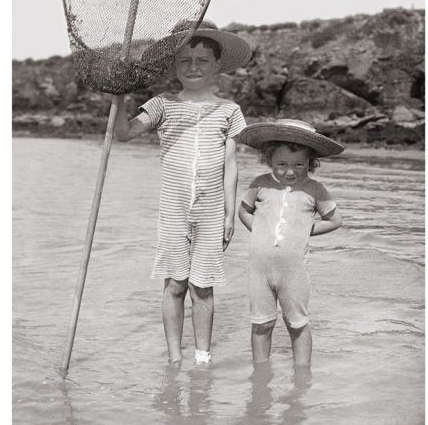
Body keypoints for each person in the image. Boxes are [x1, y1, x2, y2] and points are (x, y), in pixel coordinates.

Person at [114, 20, 252, 365]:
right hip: (173, 211)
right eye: (185, 60)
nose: (193, 67)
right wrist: (119, 96)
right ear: (173, 65)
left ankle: (202, 356)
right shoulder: (162, 104)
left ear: (216, 65)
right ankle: (175, 359)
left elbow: (231, 165)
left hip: (211, 212)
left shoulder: (229, 110)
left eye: (203, 60)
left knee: (203, 287)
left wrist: (228, 213)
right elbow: (125, 134)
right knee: (175, 283)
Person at [237, 119, 344, 366]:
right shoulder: (260, 184)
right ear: (269, 160)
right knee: (261, 323)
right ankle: (260, 374)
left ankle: (302, 373)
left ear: (311, 163)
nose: (290, 171)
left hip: (294, 272)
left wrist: (305, 231)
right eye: (281, 164)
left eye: (299, 165)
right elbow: (244, 211)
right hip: (259, 270)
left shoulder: (315, 189)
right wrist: (259, 230)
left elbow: (335, 220)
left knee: (297, 323)